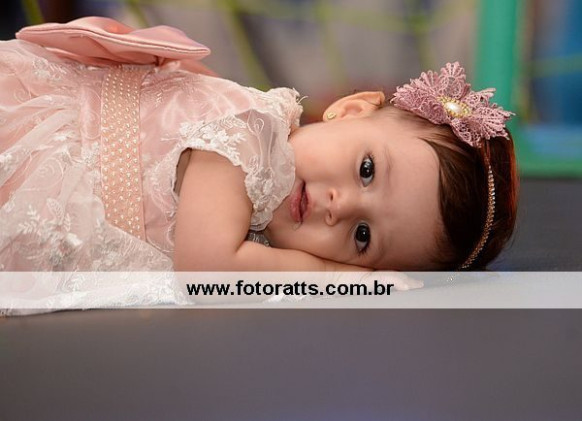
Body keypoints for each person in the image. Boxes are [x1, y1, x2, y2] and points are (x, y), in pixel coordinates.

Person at [0, 17, 518, 274]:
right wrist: (331, 276)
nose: (340, 207)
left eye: (362, 237)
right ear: (350, 109)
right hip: (33, 146)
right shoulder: (254, 131)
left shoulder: (260, 243)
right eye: (366, 170)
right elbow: (204, 269)